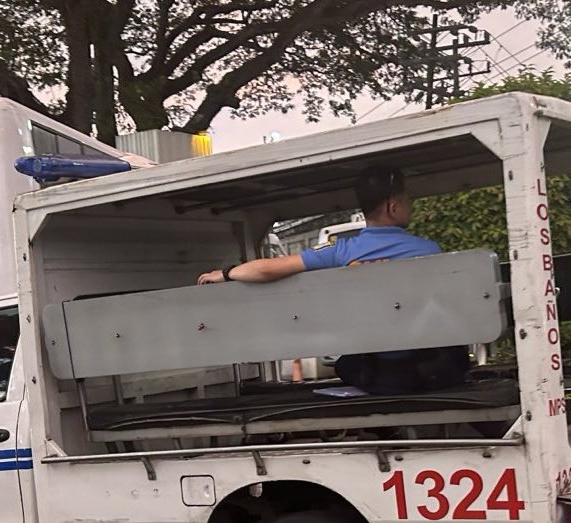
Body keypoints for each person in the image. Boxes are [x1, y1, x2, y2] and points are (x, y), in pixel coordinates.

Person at [198, 164, 468, 393]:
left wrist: (225, 273)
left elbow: (267, 269)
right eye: (408, 201)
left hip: (377, 377)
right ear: (394, 207)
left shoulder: (341, 251)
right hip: (428, 374)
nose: (411, 207)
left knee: (345, 363)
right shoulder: (429, 252)